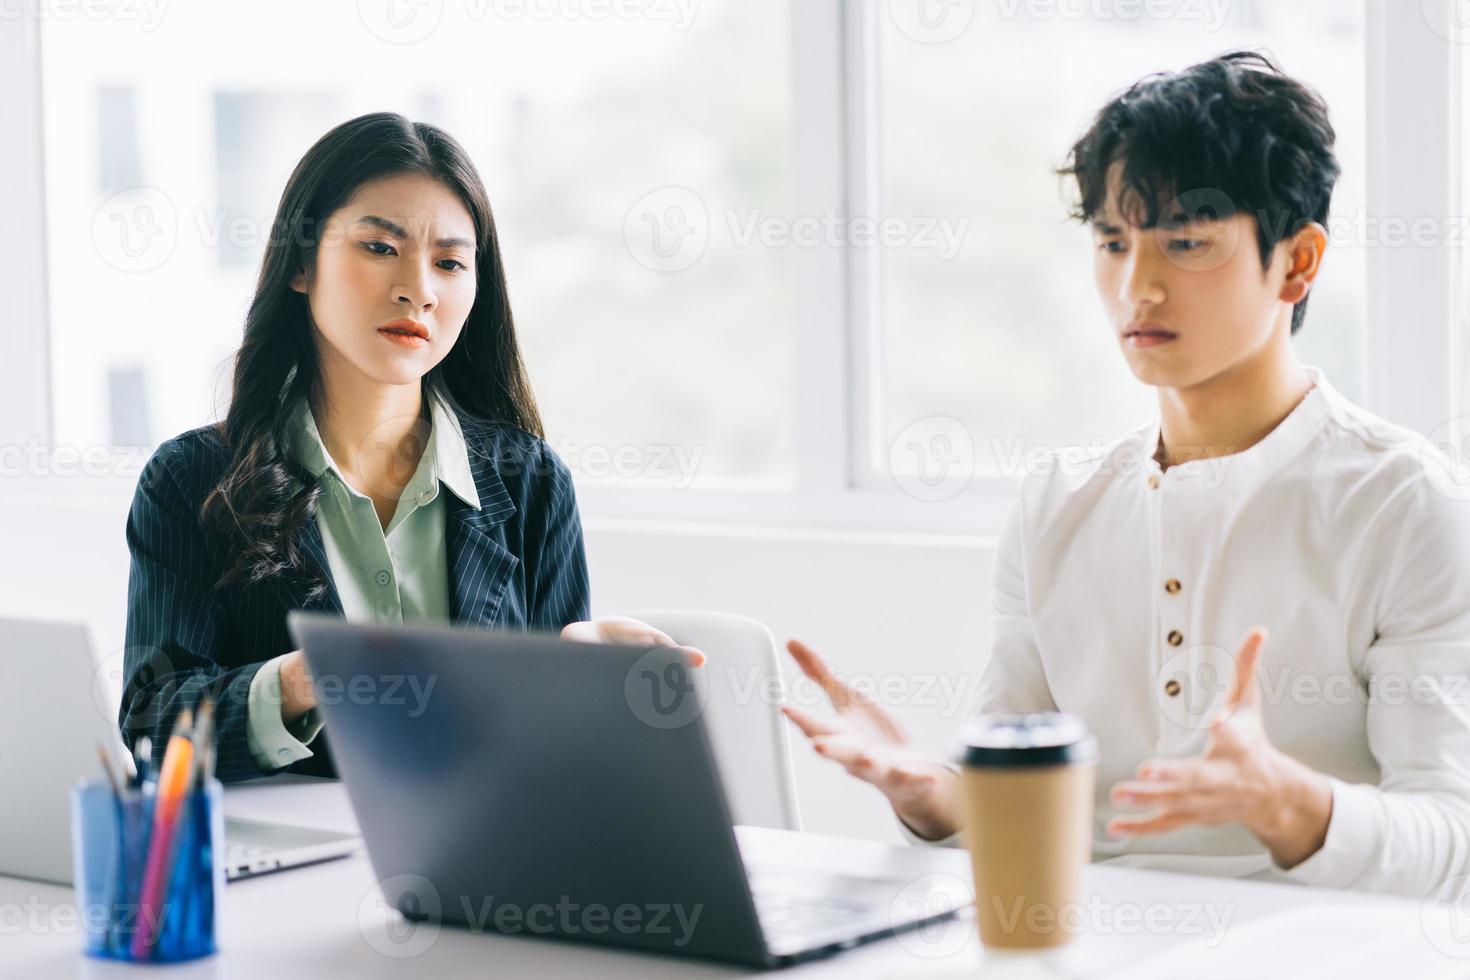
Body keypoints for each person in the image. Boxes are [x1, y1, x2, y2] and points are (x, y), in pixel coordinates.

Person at [782, 52, 1470, 898]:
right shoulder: (1057, 502)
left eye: (1186, 242)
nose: (1136, 287)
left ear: (1296, 263)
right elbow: (1020, 811)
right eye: (1113, 241)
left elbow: (1451, 838)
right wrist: (935, 800)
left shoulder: (1405, 503)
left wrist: (1292, 805)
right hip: (1082, 944)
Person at [119, 112, 700, 783]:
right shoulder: (193, 480)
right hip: (296, 874)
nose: (418, 290)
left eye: (450, 262)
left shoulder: (530, 482)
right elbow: (153, 726)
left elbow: (556, 770)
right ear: (301, 264)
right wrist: (307, 678)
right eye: (379, 248)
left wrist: (580, 683)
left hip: (486, 872)